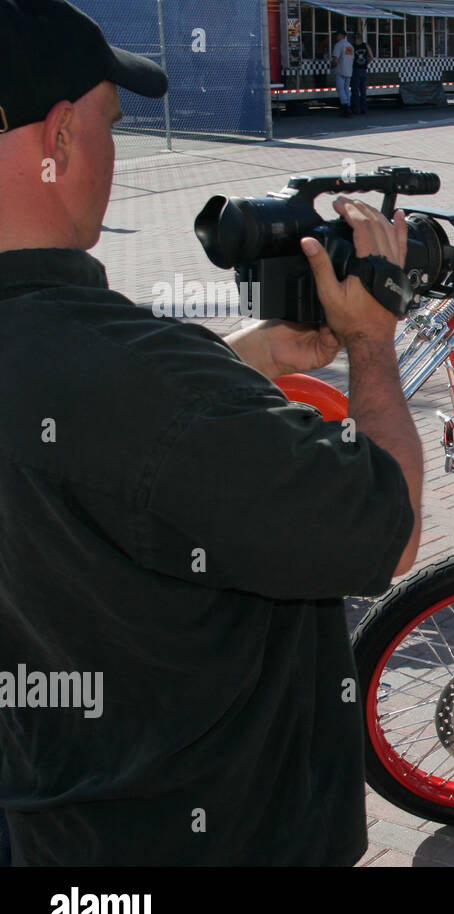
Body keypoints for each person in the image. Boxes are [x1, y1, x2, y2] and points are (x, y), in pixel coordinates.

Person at [0, 0, 422, 865]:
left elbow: (108, 435)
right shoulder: (137, 379)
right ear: (61, 140)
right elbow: (395, 521)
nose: (115, 154)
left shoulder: (122, 373)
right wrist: (373, 345)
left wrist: (250, 355)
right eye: (112, 125)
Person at [331, 28, 354, 117]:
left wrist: (332, 66)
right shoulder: (350, 46)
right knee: (347, 89)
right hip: (349, 71)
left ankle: (344, 108)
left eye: (337, 35)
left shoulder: (338, 45)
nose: (336, 37)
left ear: (341, 35)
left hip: (340, 70)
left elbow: (335, 59)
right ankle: (348, 105)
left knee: (341, 89)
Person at [350, 31, 372, 116]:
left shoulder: (352, 46)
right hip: (363, 69)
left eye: (356, 38)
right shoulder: (365, 45)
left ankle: (356, 109)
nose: (356, 39)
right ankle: (364, 108)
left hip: (355, 69)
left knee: (355, 90)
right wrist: (366, 64)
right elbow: (371, 56)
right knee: (363, 90)